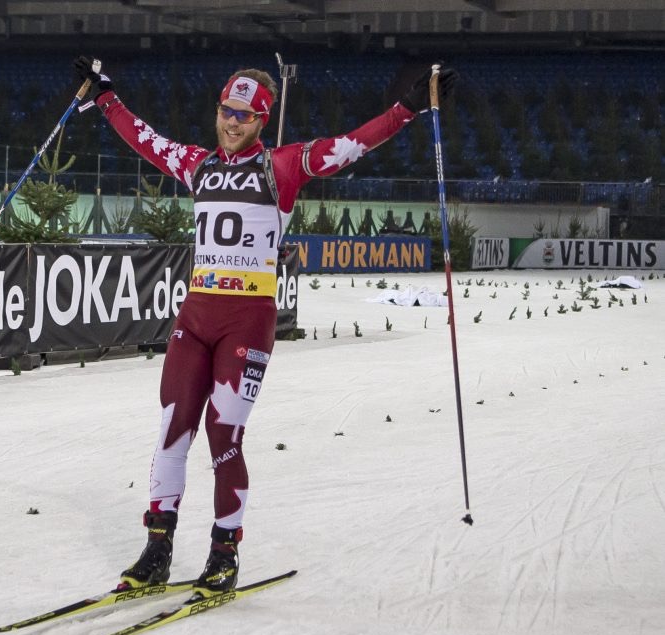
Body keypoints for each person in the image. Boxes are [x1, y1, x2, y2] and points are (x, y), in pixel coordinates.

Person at [74, 56, 457, 597]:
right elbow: (146, 140)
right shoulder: (198, 165)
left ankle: (224, 554)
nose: (233, 124)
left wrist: (408, 109)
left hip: (247, 322)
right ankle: (157, 550)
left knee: (222, 436)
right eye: (227, 112)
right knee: (171, 430)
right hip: (196, 317)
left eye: (246, 117)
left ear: (262, 120)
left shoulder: (282, 166)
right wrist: (105, 98)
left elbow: (350, 145)